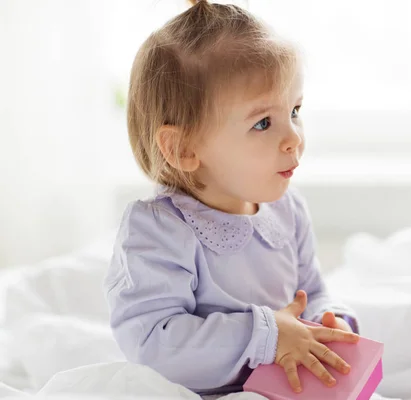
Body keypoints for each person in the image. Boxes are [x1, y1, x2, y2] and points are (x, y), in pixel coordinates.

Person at [103, 0, 360, 397]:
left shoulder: (288, 211)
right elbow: (152, 342)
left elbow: (310, 289)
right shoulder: (159, 230)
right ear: (184, 149)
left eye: (295, 110)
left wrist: (329, 319)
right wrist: (267, 335)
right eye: (262, 123)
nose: (293, 137)